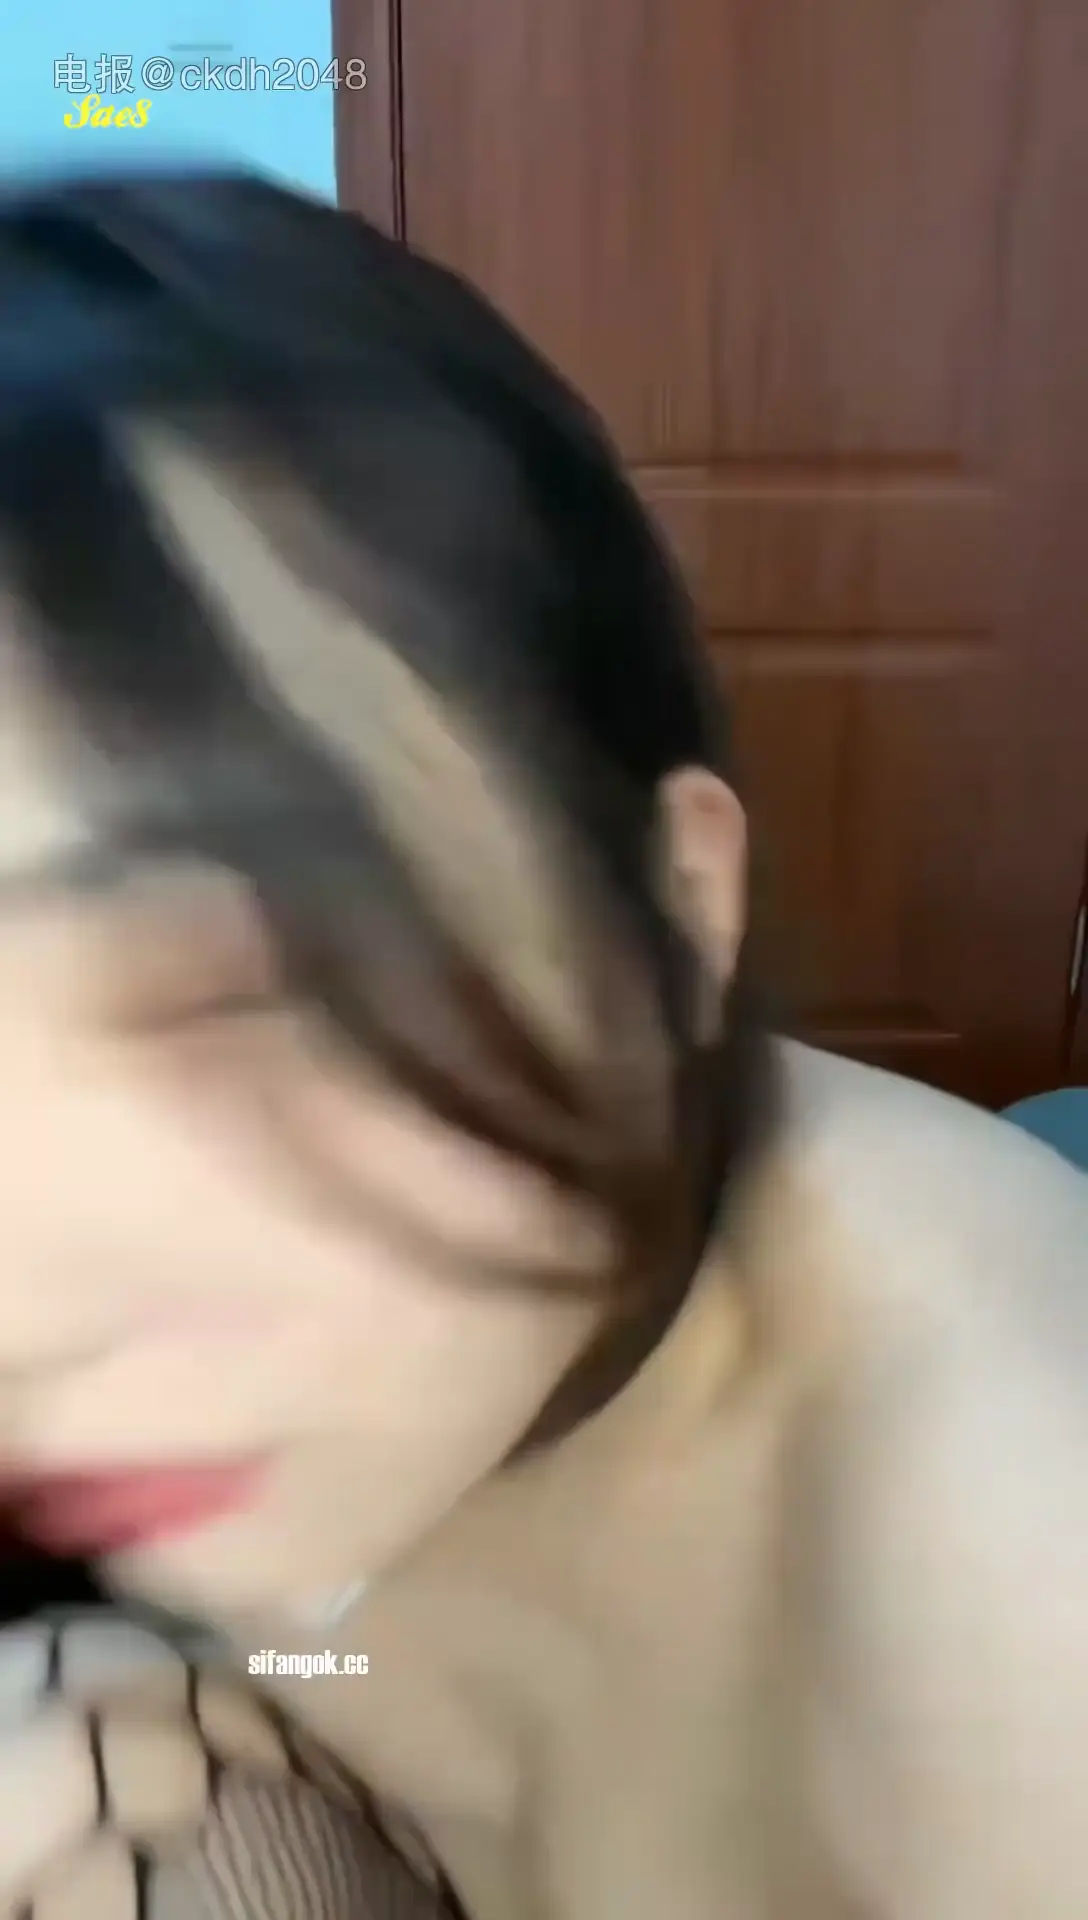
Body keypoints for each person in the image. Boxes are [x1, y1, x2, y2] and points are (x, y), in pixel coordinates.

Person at [0, 167, 1085, 1920]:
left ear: (672, 918)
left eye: (246, 988)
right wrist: (164, 1702)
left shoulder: (1023, 1637)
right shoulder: (374, 1363)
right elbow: (330, 1658)